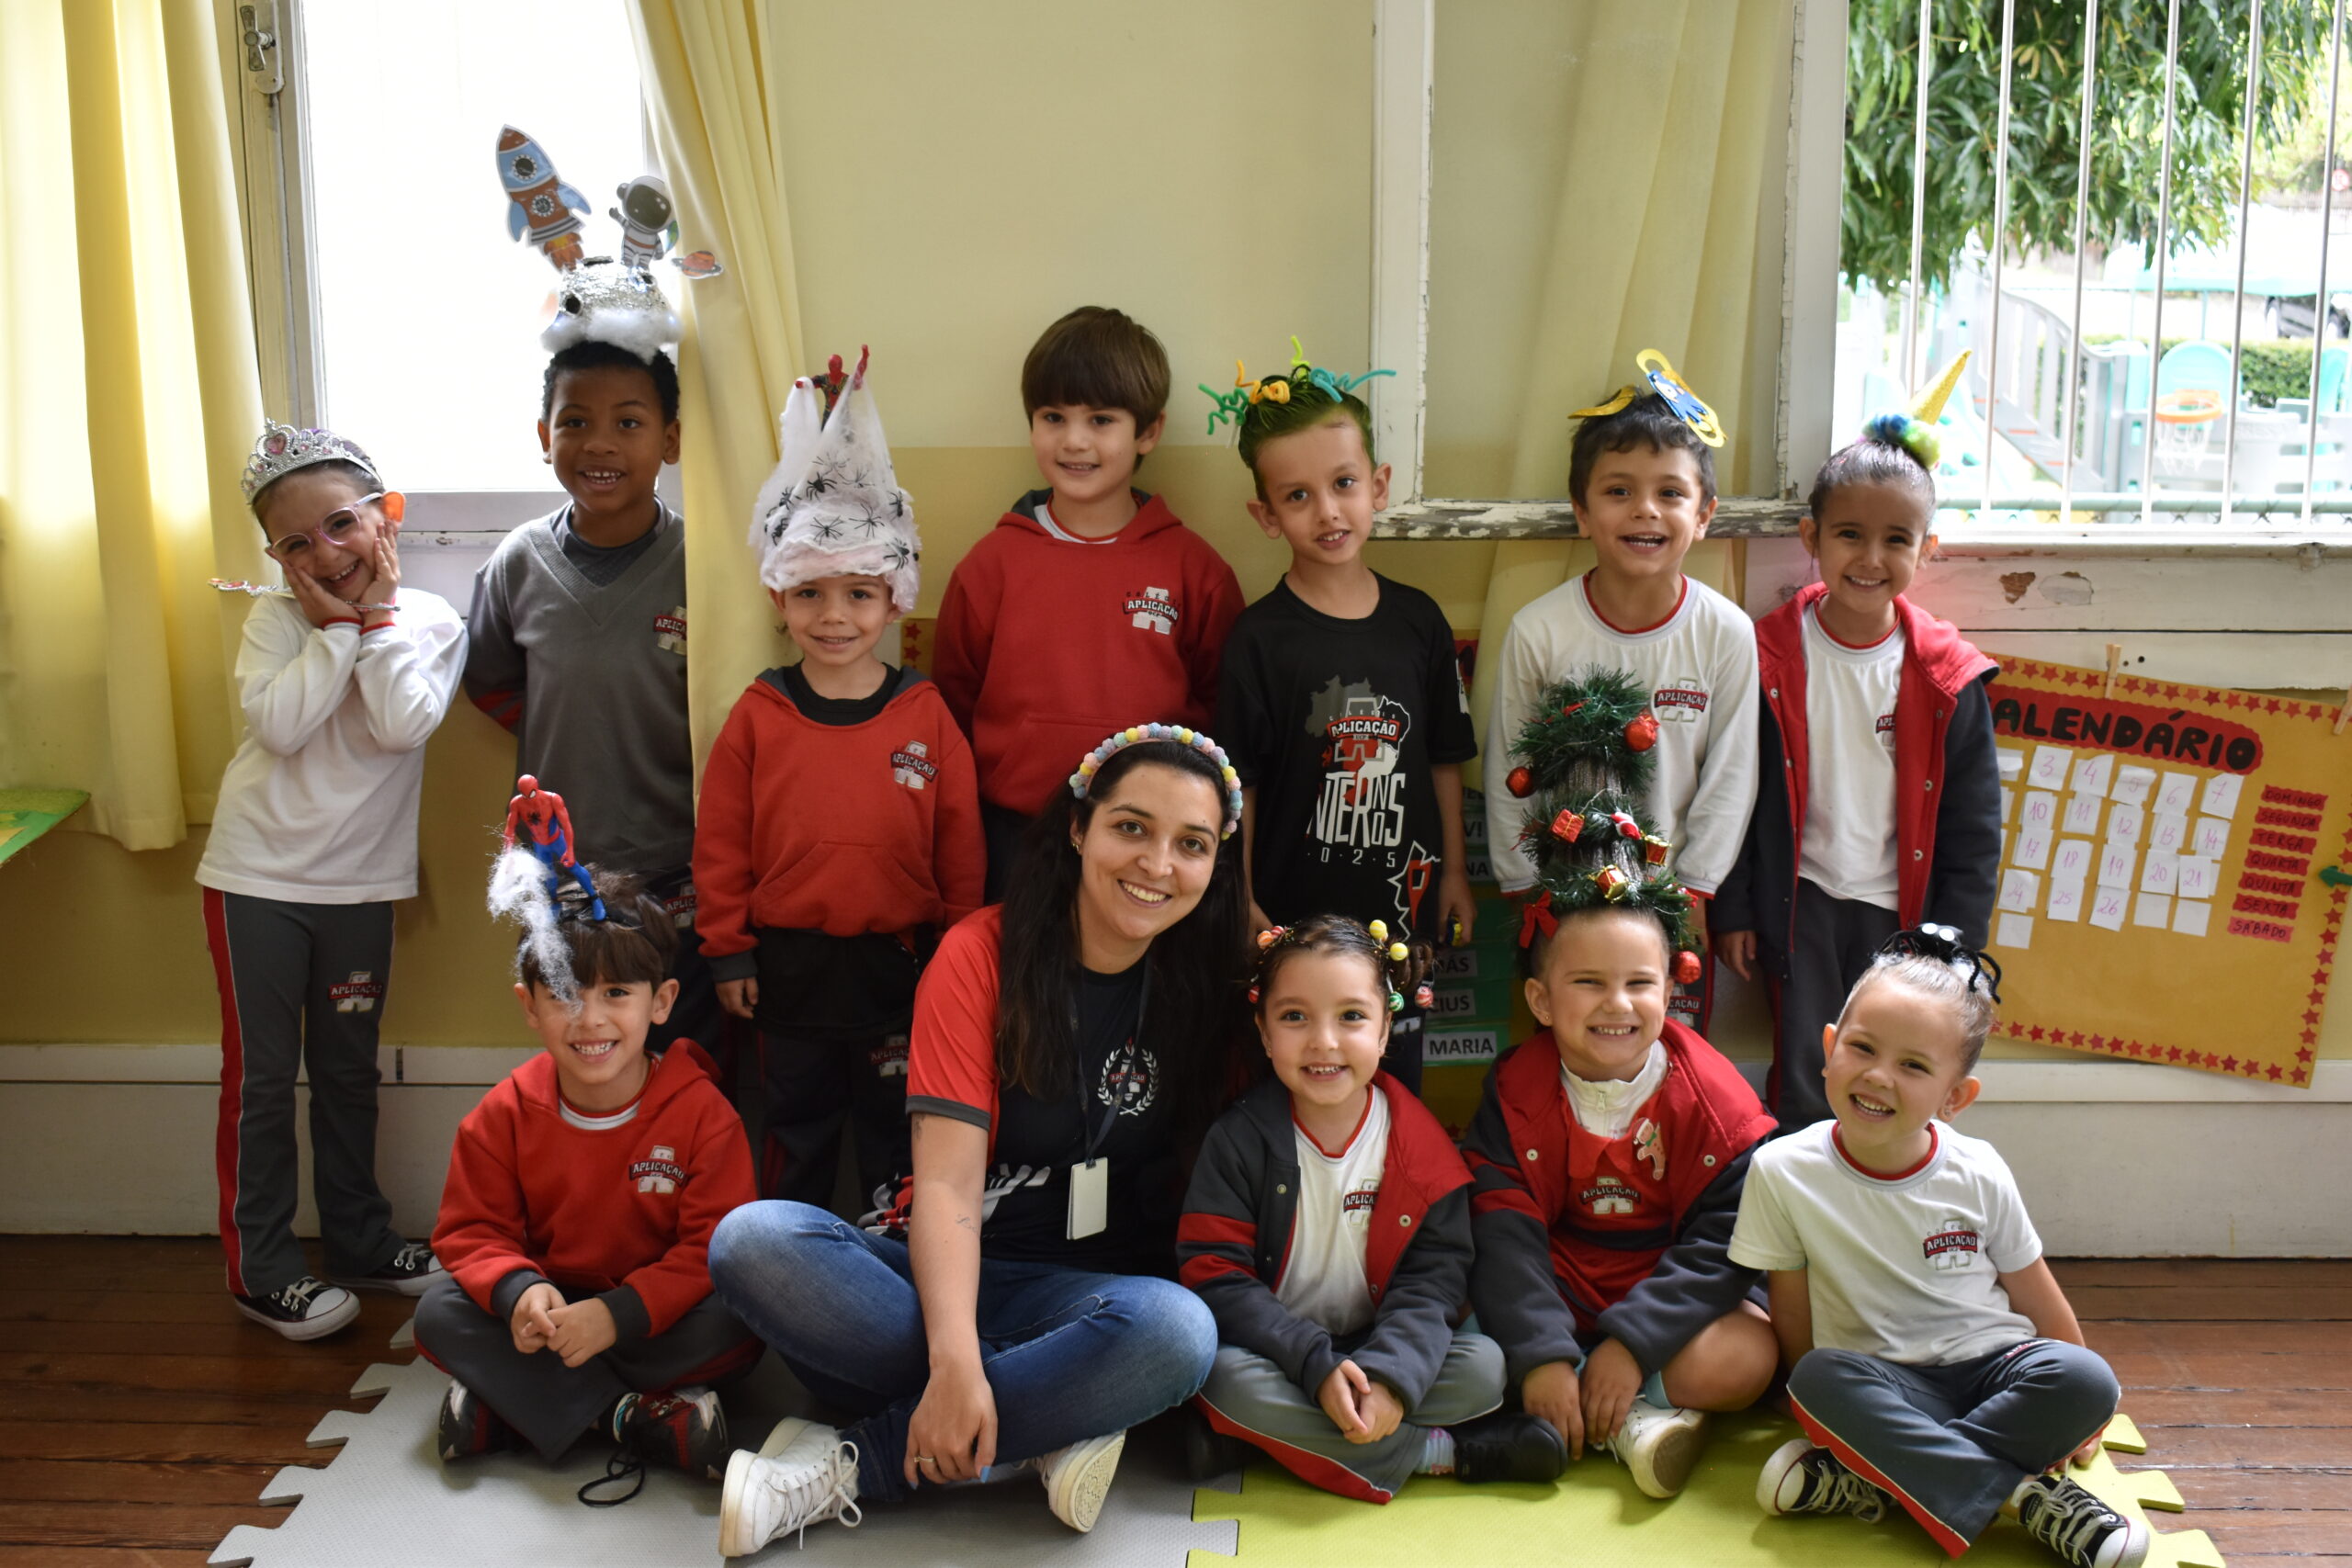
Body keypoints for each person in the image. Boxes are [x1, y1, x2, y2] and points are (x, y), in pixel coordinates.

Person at [706, 728, 1248, 1554]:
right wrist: (955, 1360)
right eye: (1131, 827)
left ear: (1215, 865)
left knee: (1179, 1332)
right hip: (925, 1283)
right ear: (1079, 827)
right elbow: (948, 1187)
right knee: (754, 1239)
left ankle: (861, 1460)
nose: (1158, 863)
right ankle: (1045, 1420)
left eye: (1192, 844)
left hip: (1084, 1304)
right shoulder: (979, 955)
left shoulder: (1204, 983)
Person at [1733, 927, 2145, 1568]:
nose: (1878, 1076)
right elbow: (1790, 1305)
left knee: (2089, 1379)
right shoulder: (1781, 1169)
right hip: (1885, 1385)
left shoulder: (1978, 1169)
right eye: (1862, 1048)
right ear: (1829, 1048)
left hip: (1993, 1371)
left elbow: (2035, 1291)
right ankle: (2022, 1498)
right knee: (1813, 1380)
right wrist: (1820, 1415)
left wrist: (2086, 1414)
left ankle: (1880, 1476)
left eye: (1914, 1066)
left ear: (1955, 1098)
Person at [1464, 671, 1780, 1499]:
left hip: (1666, 1292)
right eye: (1588, 984)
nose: (1618, 1005)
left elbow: (1721, 1247)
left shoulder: (1715, 1102)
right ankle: (1615, 1412)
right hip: (1558, 1283)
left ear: (1673, 987)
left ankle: (1618, 1404)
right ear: (1541, 1001)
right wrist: (1541, 1352)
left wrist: (1633, 1343)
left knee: (1746, 1357)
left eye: (1640, 983)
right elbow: (1505, 1232)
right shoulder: (1517, 1088)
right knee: (1469, 1346)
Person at [696, 353, 984, 1208]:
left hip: (902, 970)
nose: (834, 615)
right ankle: (789, 1263)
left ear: (895, 599)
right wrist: (728, 949)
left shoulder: (926, 713)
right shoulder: (759, 715)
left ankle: (892, 1268)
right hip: (786, 972)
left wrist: (958, 953)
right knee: (798, 1130)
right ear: (779, 598)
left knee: (899, 1136)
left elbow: (960, 845)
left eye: (859, 593)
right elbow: (720, 845)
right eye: (811, 593)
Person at [198, 422, 465, 1338]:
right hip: (257, 879)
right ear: (277, 559)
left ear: (387, 516)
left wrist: (376, 621)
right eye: (296, 544)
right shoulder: (275, 621)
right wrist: (337, 629)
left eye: (342, 525)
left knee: (348, 1070)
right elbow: (281, 726)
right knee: (264, 1078)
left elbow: (401, 724)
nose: (326, 553)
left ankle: (358, 1238)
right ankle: (261, 1268)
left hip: (359, 887)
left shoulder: (432, 621)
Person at [1177, 915, 1564, 1501]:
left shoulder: (1421, 1147)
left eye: (1352, 1016)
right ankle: (1438, 1452)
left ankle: (1260, 1442)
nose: (1323, 1042)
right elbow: (1215, 1274)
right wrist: (1313, 1365)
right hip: (1278, 1352)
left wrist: (1390, 1378)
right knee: (1219, 1377)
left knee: (1485, 1366)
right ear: (1264, 1032)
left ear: (1386, 1030)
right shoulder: (1238, 1141)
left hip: (1375, 1343)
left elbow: (1433, 1282)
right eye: (1294, 1017)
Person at [421, 852, 759, 1500]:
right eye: (564, 994)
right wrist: (520, 1292)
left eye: (616, 994)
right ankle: (634, 1417)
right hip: (550, 1311)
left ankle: (517, 1405)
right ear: (529, 1005)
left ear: (662, 1001)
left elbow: (710, 1248)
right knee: (440, 1312)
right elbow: (471, 1231)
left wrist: (617, 1315)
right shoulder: (503, 1113)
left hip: (651, 1317)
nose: (590, 1019)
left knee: (738, 1318)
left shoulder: (704, 1114)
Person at [1713, 375, 2001, 1132]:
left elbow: (1974, 830)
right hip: (1800, 901)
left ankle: (1884, 1186)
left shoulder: (1947, 677)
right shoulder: (1766, 655)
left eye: (1897, 540)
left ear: (1926, 548)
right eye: (1849, 535)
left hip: (1903, 917)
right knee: (1807, 1070)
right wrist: (1733, 908)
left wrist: (1954, 946)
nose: (1871, 557)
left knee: (1895, 1070)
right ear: (1811, 538)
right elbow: (1736, 791)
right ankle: (1800, 1193)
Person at [465, 254, 718, 1053]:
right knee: (583, 1044)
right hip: (557, 868)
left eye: (628, 423)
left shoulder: (704, 567)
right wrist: (574, 730)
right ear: (545, 436)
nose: (599, 442)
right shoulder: (516, 563)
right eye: (575, 422)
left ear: (671, 439)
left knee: (679, 1053)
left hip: (678, 868)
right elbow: (493, 683)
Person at [1209, 346, 1478, 1093]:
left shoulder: (1420, 623)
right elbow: (1241, 785)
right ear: (1266, 515)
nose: (1327, 511)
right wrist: (1243, 900)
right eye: (1297, 496)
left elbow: (1444, 758)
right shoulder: (1258, 640)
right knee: (1294, 1091)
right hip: (1289, 927)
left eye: (1344, 483)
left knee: (1398, 1098)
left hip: (1404, 928)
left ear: (1378, 486)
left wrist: (1456, 872)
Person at [1481, 354, 1758, 1031]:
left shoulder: (1727, 633)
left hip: (1672, 897)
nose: (1645, 510)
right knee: (1567, 1045)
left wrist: (1696, 886)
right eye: (1618, 491)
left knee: (1664, 1056)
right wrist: (1525, 885)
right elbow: (1509, 771)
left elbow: (1732, 777)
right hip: (1562, 898)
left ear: (1705, 515)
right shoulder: (1539, 630)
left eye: (1671, 492)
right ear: (1581, 511)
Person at [933, 306, 1244, 896]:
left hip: (1151, 846)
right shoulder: (989, 567)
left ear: (1148, 432)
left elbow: (1221, 713)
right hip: (1016, 838)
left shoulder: (1195, 571)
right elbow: (953, 707)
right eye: (1054, 417)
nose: (1074, 440)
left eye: (1101, 419)